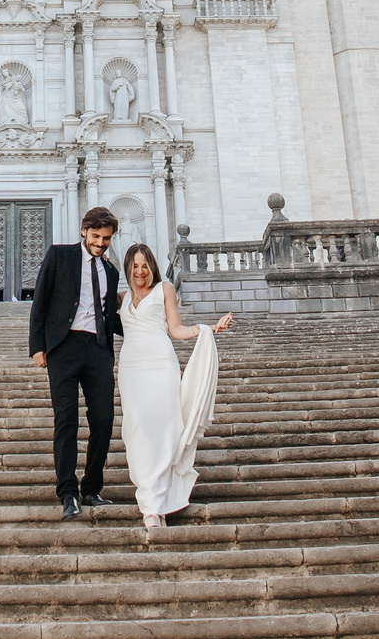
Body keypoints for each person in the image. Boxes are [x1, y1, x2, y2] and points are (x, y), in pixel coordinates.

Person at [114, 243, 231, 530]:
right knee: (137, 428)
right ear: (127, 267)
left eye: (145, 265)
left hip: (160, 363)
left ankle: (153, 507)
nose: (140, 271)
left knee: (163, 427)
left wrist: (207, 329)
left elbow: (175, 329)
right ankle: (153, 495)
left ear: (151, 266)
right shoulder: (121, 297)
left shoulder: (164, 289)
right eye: (135, 266)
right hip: (131, 367)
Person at [28, 206, 123, 518]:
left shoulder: (111, 270)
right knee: (66, 420)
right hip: (64, 347)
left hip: (98, 348)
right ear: (84, 231)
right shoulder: (59, 255)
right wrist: (37, 346)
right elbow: (40, 300)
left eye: (106, 238)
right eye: (96, 236)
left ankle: (92, 487)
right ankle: (68, 492)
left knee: (104, 419)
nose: (100, 242)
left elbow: (112, 315)